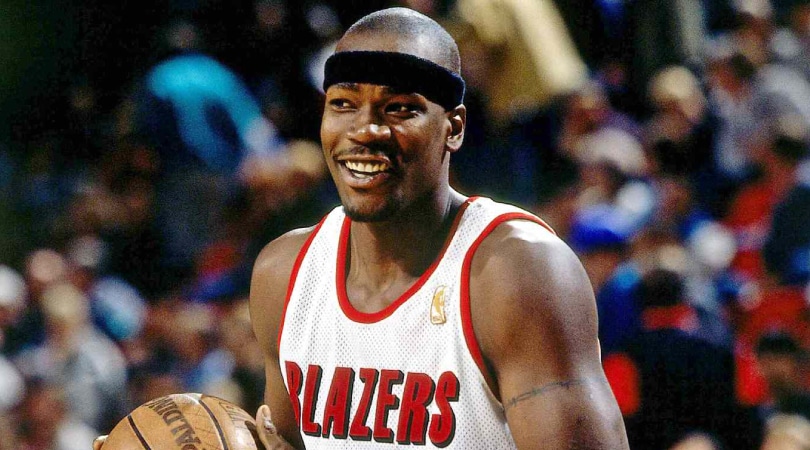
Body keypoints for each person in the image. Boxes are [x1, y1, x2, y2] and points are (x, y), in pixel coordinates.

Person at [96, 7, 628, 449]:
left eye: (399, 108)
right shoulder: (285, 278)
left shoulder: (517, 273)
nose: (365, 130)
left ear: (454, 128)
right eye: (343, 104)